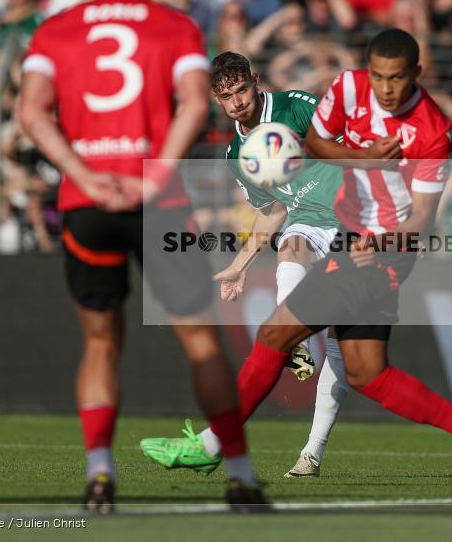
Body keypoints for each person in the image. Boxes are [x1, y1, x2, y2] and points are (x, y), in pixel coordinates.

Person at [143, 29, 452, 494]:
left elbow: (422, 216)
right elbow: (281, 200)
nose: (385, 88)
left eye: (396, 78)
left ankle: (212, 445)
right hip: (332, 231)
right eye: (378, 76)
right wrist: (242, 261)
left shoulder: (431, 131)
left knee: (274, 334)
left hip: (371, 243)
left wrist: (386, 238)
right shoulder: (341, 93)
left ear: (416, 75)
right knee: (368, 372)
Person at [16, 0, 263, 513]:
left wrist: (83, 173)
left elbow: (30, 114)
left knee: (101, 342)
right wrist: (153, 180)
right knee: (201, 341)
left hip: (87, 202)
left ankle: (100, 474)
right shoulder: (176, 27)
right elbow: (196, 105)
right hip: (160, 201)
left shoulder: (55, 29)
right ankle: (241, 476)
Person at [142, 51, 349, 479]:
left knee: (346, 355)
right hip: (308, 221)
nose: (237, 102)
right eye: (226, 97)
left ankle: (312, 451)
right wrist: (239, 265)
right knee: (290, 247)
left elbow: (350, 148)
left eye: (241, 90)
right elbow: (273, 209)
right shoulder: (236, 151)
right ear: (217, 101)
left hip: (352, 216)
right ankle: (294, 344)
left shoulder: (295, 105)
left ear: (255, 82)